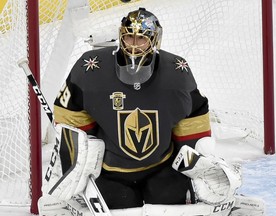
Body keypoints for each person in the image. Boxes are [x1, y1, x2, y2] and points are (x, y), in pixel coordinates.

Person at [47, 8, 264, 216]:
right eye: (129, 37)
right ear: (120, 38)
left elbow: (194, 116)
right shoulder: (91, 69)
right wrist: (77, 157)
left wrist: (197, 160)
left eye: (141, 38)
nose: (134, 45)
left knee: (172, 201)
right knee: (118, 204)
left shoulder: (176, 73)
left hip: (161, 168)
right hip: (111, 173)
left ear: (155, 40)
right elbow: (69, 115)